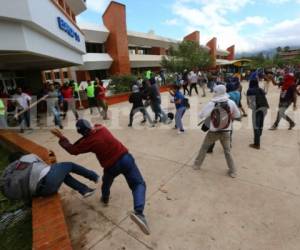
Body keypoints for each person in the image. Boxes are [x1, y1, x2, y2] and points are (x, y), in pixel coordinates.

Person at [51, 120, 150, 235]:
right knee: (138, 184)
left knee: (106, 183)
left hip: (111, 167)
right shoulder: (102, 128)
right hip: (125, 159)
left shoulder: (87, 142)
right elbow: (94, 127)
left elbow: (73, 149)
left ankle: (105, 198)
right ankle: (139, 212)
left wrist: (62, 138)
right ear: (90, 126)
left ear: (81, 133)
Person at [2, 153, 98, 199]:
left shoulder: (14, 174)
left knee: (62, 173)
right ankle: (94, 176)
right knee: (69, 165)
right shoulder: (26, 158)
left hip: (43, 192)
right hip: (49, 181)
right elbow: (46, 167)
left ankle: (85, 190)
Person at [194, 85, 241, 178]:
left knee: (204, 148)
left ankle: (197, 165)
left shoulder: (211, 103)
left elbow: (201, 115)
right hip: (226, 132)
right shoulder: (231, 102)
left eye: (214, 91)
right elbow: (237, 115)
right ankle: (233, 171)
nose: (213, 93)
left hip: (213, 132)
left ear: (217, 92)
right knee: (227, 151)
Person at [247, 79, 269, 149]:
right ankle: (258, 135)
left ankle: (257, 144)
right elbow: (264, 94)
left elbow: (251, 104)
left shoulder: (250, 90)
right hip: (265, 107)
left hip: (257, 109)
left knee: (256, 125)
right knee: (260, 123)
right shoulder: (260, 89)